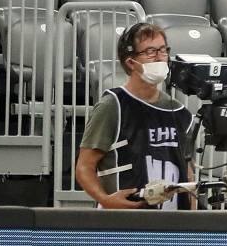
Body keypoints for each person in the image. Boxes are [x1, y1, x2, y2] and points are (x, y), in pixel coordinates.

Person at [74, 22, 195, 210]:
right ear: (131, 62)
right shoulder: (113, 105)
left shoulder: (180, 112)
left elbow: (187, 174)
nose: (159, 57)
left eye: (163, 50)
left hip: (172, 228)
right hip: (124, 224)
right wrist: (106, 200)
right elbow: (84, 168)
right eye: (150, 51)